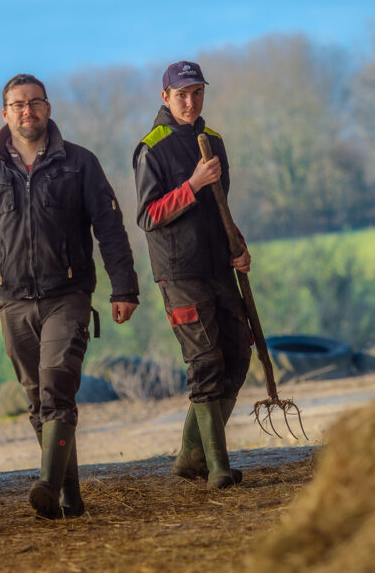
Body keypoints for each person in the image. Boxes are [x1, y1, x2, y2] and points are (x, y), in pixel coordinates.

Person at [0, 73, 139, 519]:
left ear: (48, 108)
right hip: (14, 301)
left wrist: (124, 287)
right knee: (37, 398)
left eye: (36, 102)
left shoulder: (80, 164)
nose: (28, 110)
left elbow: (110, 229)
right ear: (4, 113)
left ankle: (46, 483)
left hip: (68, 295)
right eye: (18, 104)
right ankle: (69, 494)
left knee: (57, 382)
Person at [132, 61, 252, 489]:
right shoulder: (152, 147)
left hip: (219, 265)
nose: (190, 101)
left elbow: (222, 206)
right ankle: (216, 467)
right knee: (205, 361)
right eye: (181, 94)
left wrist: (238, 245)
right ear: (164, 97)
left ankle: (190, 455)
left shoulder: (214, 141)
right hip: (179, 271)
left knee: (238, 354)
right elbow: (148, 216)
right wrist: (193, 183)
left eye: (197, 92)